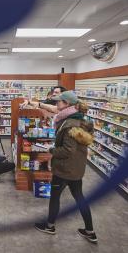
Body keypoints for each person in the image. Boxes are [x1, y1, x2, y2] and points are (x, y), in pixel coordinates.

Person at [34, 91, 97, 243]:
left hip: (64, 168)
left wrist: (50, 149)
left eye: (59, 102)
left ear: (67, 104)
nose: (56, 104)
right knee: (80, 198)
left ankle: (50, 226)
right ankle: (90, 231)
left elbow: (68, 150)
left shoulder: (70, 124)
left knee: (55, 197)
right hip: (76, 168)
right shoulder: (78, 118)